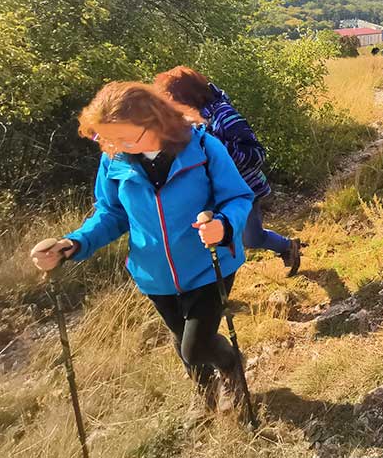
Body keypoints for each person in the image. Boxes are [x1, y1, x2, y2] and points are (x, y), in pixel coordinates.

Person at [29, 82, 255, 421]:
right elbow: (110, 214)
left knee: (195, 347)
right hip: (155, 275)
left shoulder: (205, 148)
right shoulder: (114, 160)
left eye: (126, 137)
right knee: (182, 343)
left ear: (157, 121)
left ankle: (231, 366)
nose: (117, 147)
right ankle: (205, 400)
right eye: (107, 139)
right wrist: (73, 244)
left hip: (209, 265)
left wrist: (223, 225)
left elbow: (238, 197)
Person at [153, 67, 302, 276]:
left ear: (185, 97)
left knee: (251, 239)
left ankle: (288, 247)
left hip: (242, 190)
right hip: (211, 193)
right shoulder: (188, 123)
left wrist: (220, 153)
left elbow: (257, 154)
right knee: (208, 238)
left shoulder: (224, 115)